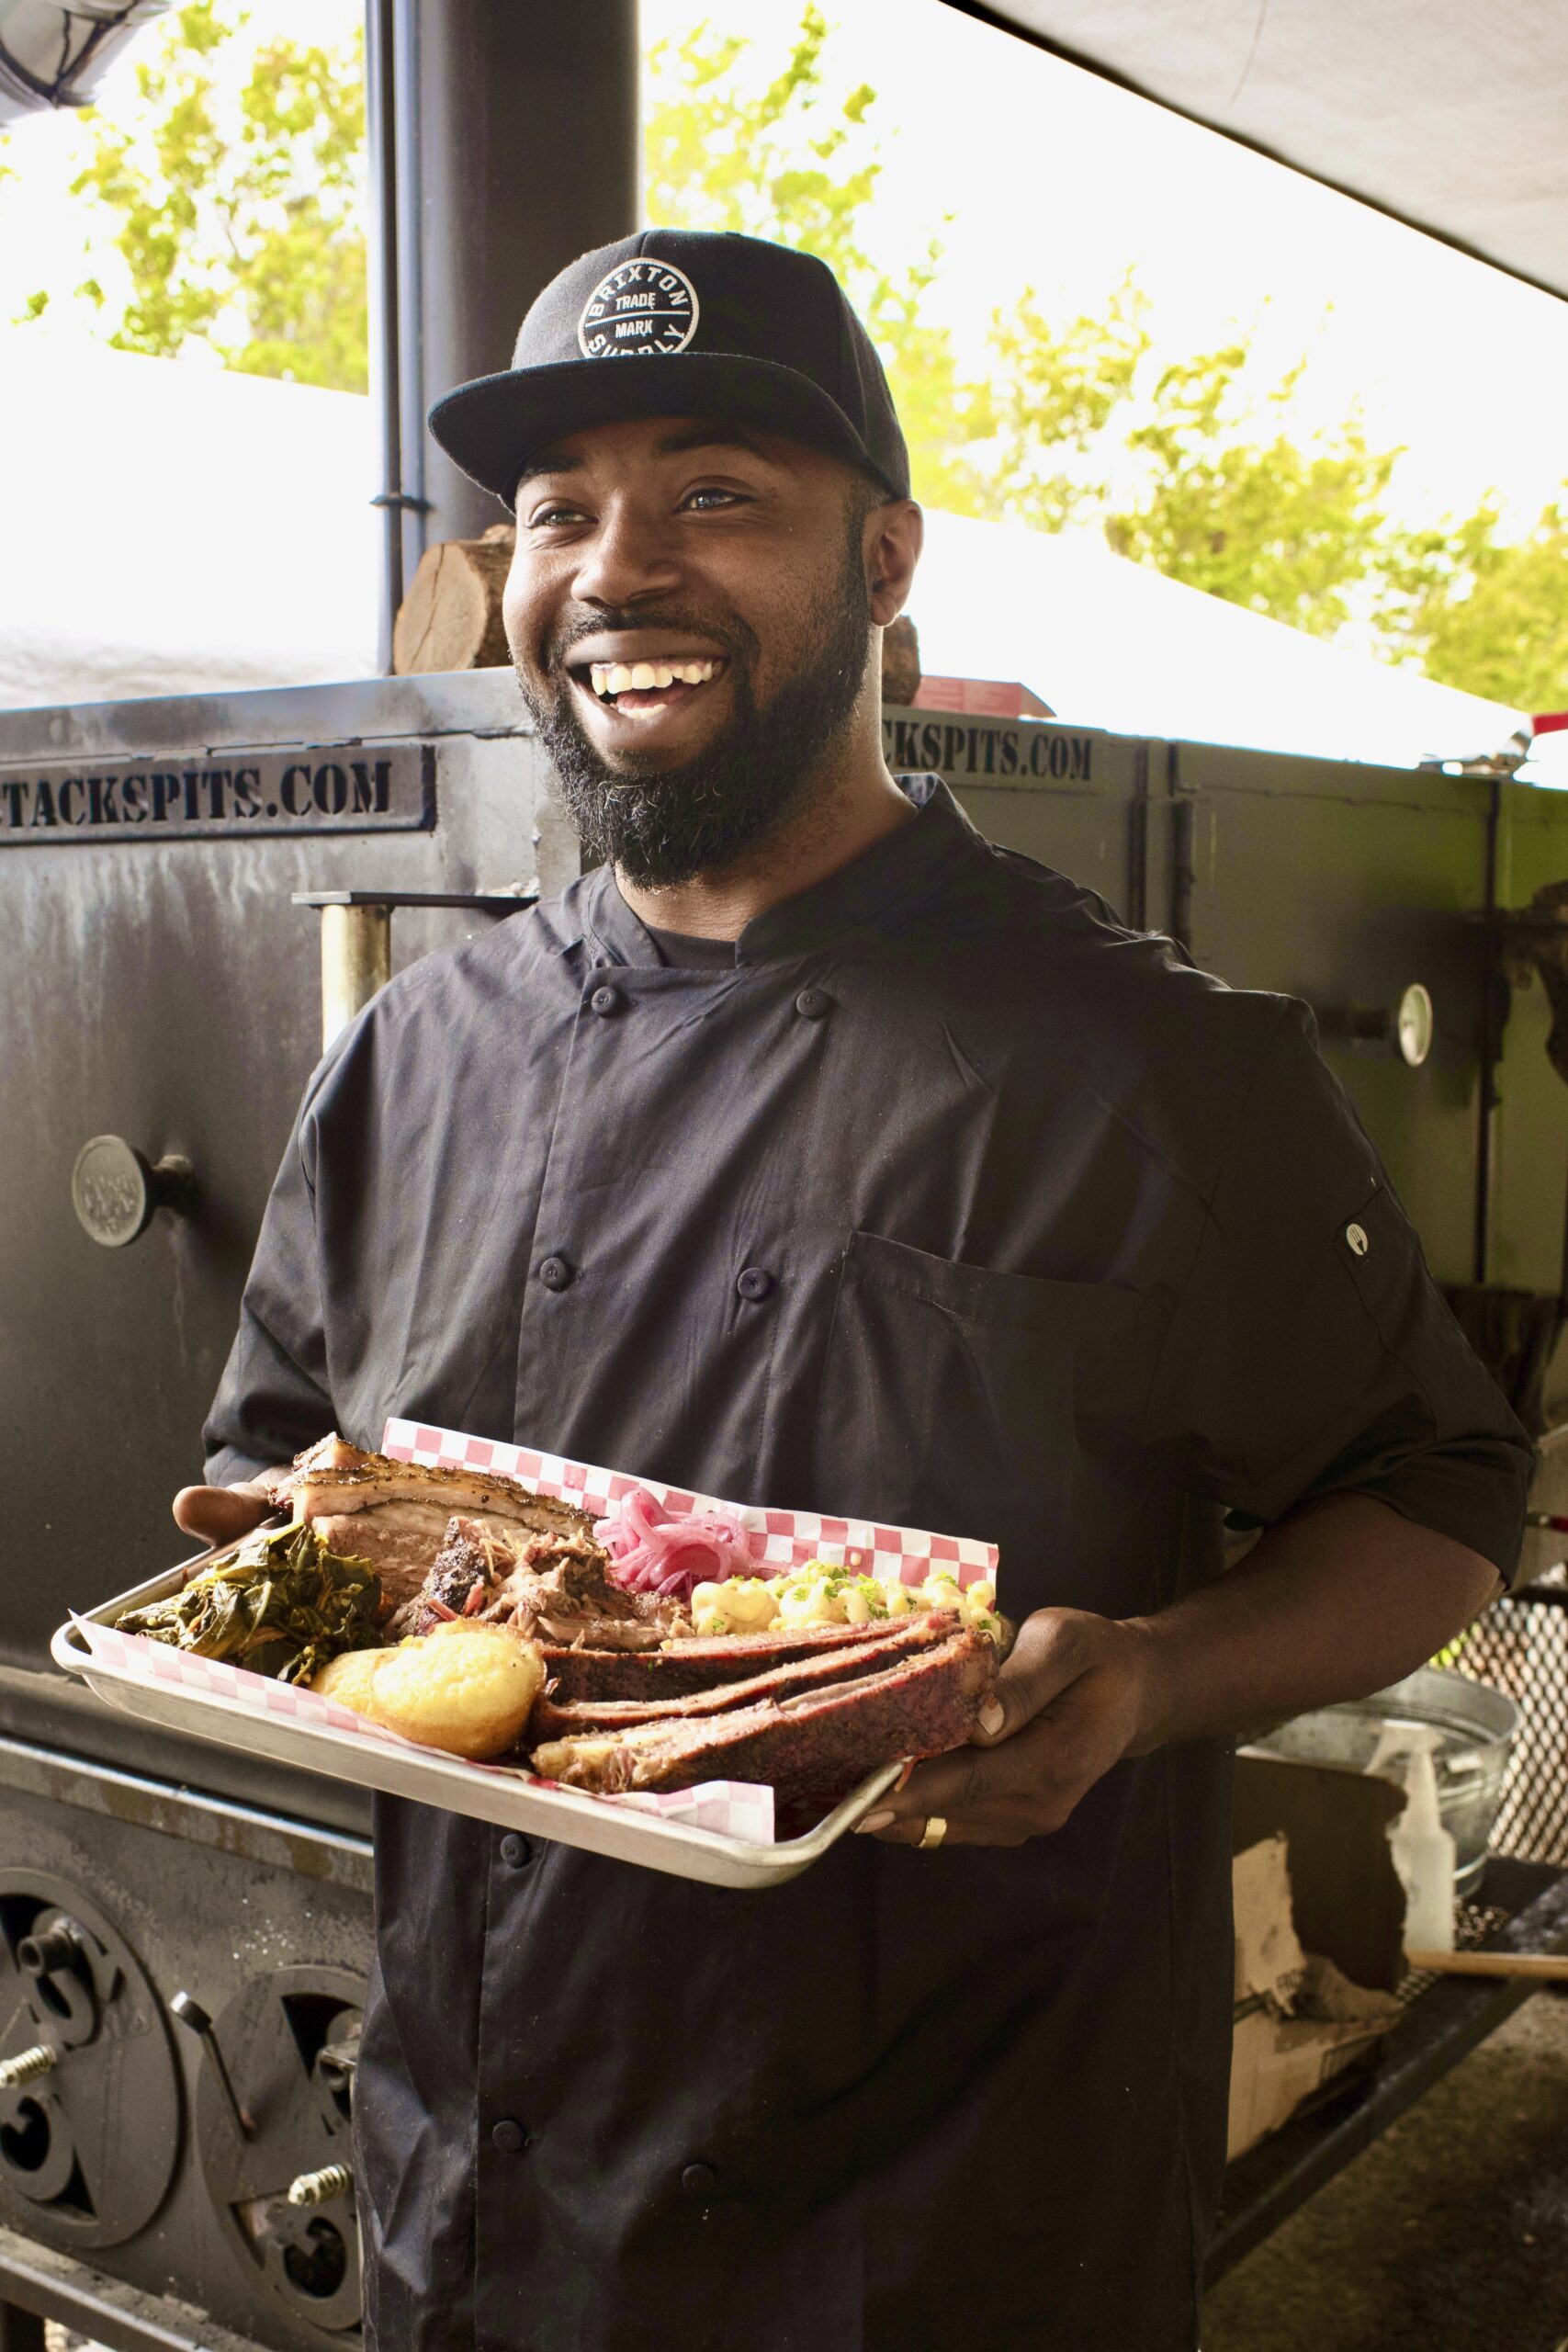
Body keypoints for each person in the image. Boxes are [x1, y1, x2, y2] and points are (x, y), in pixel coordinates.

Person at [177, 230, 1529, 2352]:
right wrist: (283, 1584)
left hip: (955, 2228)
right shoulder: (412, 1059)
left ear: (884, 559)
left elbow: (1445, 1491)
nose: (618, 566)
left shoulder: (1149, 1068)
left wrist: (1159, 1676)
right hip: (486, 2194)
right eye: (559, 511)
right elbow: (284, 1483)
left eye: (714, 493)